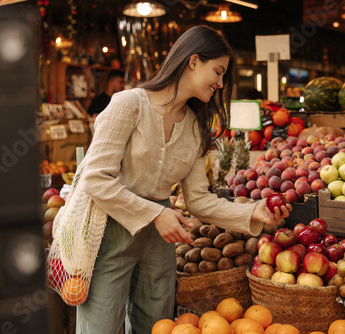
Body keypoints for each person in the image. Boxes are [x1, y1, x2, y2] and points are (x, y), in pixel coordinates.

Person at [75, 25, 292, 334]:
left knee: (157, 326)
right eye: (217, 72)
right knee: (100, 326)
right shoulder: (129, 105)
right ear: (193, 61)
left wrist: (251, 211)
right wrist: (155, 213)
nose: (220, 83)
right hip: (110, 230)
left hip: (161, 241)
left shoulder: (195, 127)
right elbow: (95, 179)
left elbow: (198, 200)